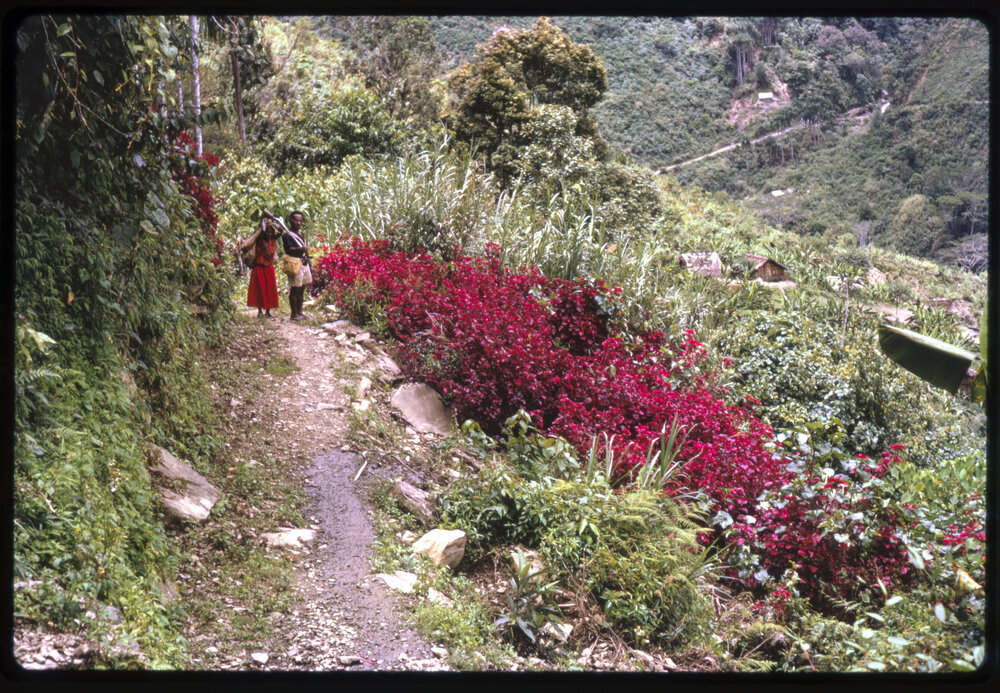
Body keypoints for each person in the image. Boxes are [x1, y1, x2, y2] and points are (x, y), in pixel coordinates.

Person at [241, 217, 281, 318]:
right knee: (259, 289)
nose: (269, 234)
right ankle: (259, 311)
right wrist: (263, 223)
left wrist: (274, 221)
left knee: (269, 290)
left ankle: (268, 311)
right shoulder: (260, 240)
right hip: (259, 268)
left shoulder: (273, 241)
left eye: (271, 232)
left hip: (269, 268)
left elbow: (280, 231)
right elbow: (263, 231)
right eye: (268, 232)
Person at [281, 210, 313, 320]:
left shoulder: (301, 233)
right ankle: (294, 314)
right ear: (291, 220)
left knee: (302, 289)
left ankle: (300, 312)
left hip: (303, 262)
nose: (298, 223)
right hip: (294, 263)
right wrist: (300, 249)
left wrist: (309, 262)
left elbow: (305, 249)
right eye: (296, 220)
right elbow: (288, 250)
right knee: (294, 289)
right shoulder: (287, 235)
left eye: (300, 221)